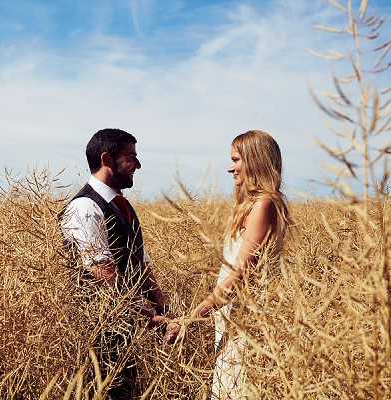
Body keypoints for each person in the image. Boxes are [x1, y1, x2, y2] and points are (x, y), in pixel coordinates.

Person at [60, 128, 180, 399]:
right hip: (98, 329)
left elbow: (140, 264)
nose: (138, 164)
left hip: (125, 327)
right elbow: (103, 273)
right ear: (107, 159)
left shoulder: (122, 206)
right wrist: (149, 317)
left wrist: (165, 308)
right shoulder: (84, 208)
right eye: (131, 157)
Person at [188, 130, 290, 399]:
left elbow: (241, 273)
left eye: (236, 160)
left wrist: (197, 312)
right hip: (237, 311)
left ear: (254, 160)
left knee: (238, 387)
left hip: (248, 314)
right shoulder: (256, 204)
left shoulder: (264, 204)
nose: (230, 167)